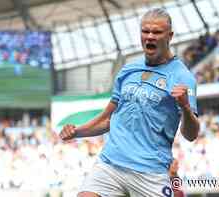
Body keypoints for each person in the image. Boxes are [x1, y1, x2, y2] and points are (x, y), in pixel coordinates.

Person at [60, 8, 199, 197]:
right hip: (110, 164)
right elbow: (107, 119)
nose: (149, 36)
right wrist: (77, 132)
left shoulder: (182, 77)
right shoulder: (128, 70)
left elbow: (191, 135)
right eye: (145, 31)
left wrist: (185, 106)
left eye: (157, 32)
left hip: (150, 172)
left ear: (170, 36)